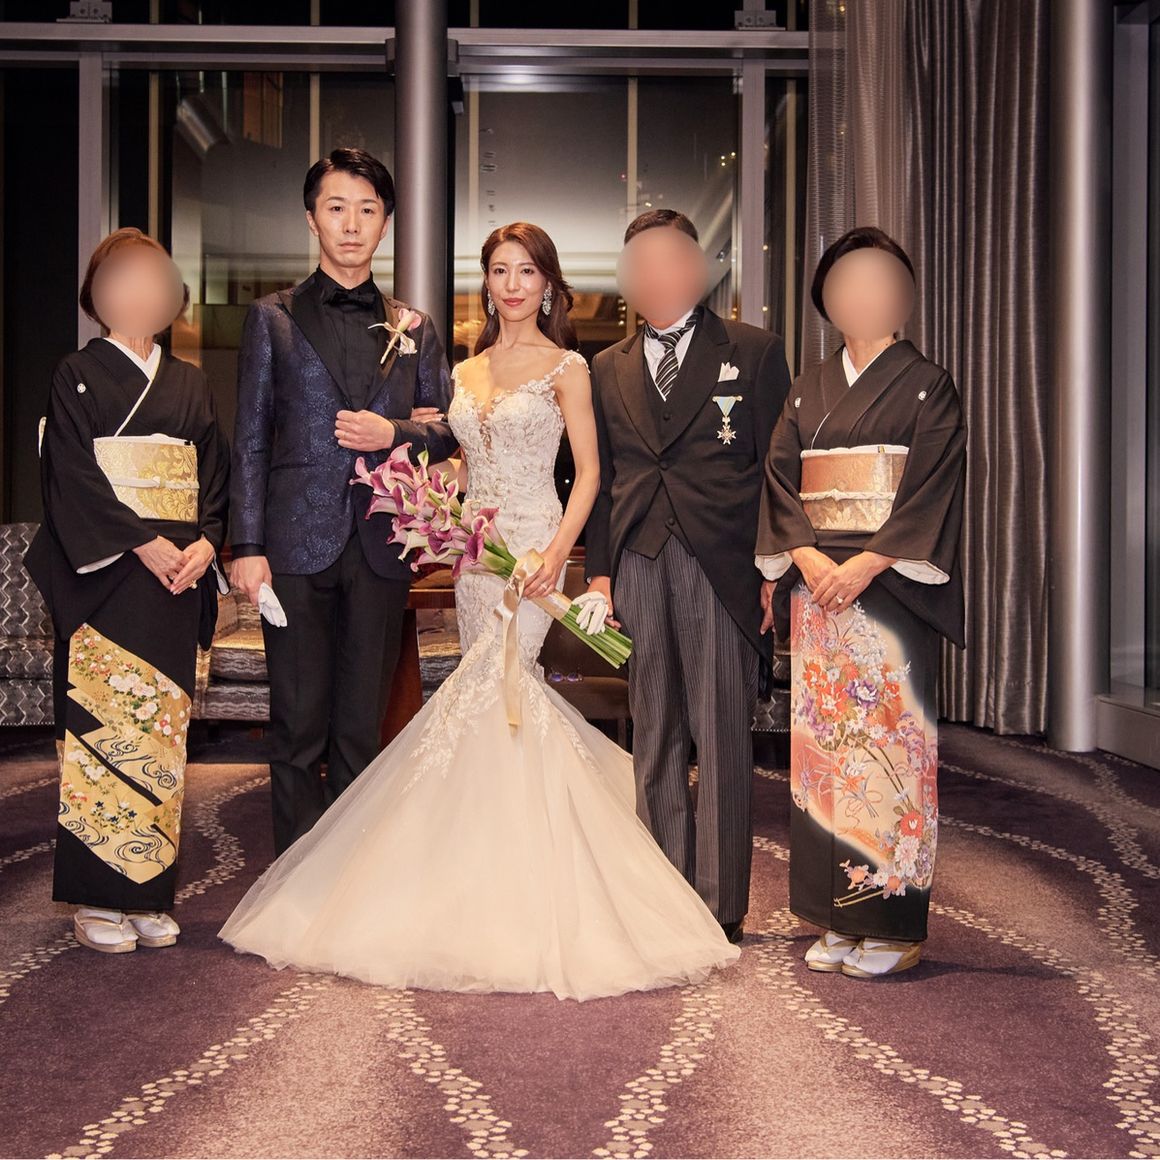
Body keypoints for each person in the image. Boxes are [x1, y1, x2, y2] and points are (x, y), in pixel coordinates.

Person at [219, 222, 739, 1000]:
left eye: (527, 271)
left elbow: (590, 473)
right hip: (474, 552)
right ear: (487, 283)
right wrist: (437, 512)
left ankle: (530, 888)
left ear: (549, 285)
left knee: (508, 691)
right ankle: (469, 876)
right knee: (477, 694)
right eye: (499, 270)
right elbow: (457, 459)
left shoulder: (569, 367)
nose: (513, 285)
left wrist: (556, 553)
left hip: (531, 547)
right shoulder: (464, 369)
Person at [229, 147, 457, 856]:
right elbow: (250, 439)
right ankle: (295, 879)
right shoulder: (272, 319)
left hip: (382, 545)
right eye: (336, 208)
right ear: (312, 219)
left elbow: (447, 431)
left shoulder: (415, 326)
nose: (351, 224)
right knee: (297, 725)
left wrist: (395, 432)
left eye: (366, 210)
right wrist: (247, 546)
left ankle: (348, 876)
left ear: (385, 223)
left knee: (362, 726)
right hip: (294, 546)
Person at [755, 225, 966, 978]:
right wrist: (809, 558)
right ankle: (835, 915)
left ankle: (892, 925)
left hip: (890, 588)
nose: (860, 296)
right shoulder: (808, 386)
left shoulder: (929, 384)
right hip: (822, 589)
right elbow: (780, 479)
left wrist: (869, 563)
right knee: (822, 754)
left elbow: (933, 486)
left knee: (887, 749)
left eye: (877, 282)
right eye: (845, 283)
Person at [584, 209, 792, 942]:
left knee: (722, 732)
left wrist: (773, 570)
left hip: (723, 563)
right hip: (638, 558)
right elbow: (603, 481)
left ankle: (720, 907)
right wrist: (600, 576)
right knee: (654, 732)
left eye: (671, 260)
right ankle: (663, 899)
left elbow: (778, 472)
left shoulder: (755, 352)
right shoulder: (606, 367)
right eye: (640, 264)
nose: (657, 276)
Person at [24, 228, 229, 954]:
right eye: (124, 281)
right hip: (109, 575)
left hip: (176, 578)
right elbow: (69, 474)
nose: (141, 295)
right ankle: (95, 897)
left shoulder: (190, 382)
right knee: (103, 728)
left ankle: (144, 891)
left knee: (161, 733)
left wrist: (207, 541)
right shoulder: (75, 374)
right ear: (98, 295)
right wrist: (141, 542)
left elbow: (214, 475)